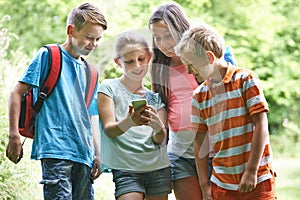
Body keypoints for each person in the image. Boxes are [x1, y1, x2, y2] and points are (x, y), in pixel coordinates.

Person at [6, 3, 107, 199]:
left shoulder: (91, 73)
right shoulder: (49, 56)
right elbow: (16, 93)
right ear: (71, 30)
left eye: (98, 39)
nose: (93, 44)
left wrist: (98, 153)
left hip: (84, 155)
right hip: (56, 151)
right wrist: (13, 135)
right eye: (89, 37)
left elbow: (92, 115)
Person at [175, 23, 277, 199]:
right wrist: (205, 185)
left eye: (191, 65)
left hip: (258, 179)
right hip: (222, 185)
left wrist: (251, 171)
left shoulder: (246, 80)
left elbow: (261, 126)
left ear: (208, 57)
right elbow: (200, 143)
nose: (189, 71)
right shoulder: (199, 96)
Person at [148, 2, 236, 199]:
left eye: (168, 35)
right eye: (157, 38)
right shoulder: (158, 68)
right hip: (180, 153)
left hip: (214, 149)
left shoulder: (204, 58)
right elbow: (162, 110)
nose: (163, 43)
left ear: (181, 29)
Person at [98, 30, 171, 200]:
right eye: (129, 62)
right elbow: (109, 129)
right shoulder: (109, 88)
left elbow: (158, 139)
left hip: (157, 168)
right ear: (118, 62)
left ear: (149, 56)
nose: (137, 66)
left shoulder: (155, 97)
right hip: (126, 168)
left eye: (141, 59)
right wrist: (130, 122)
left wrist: (158, 128)